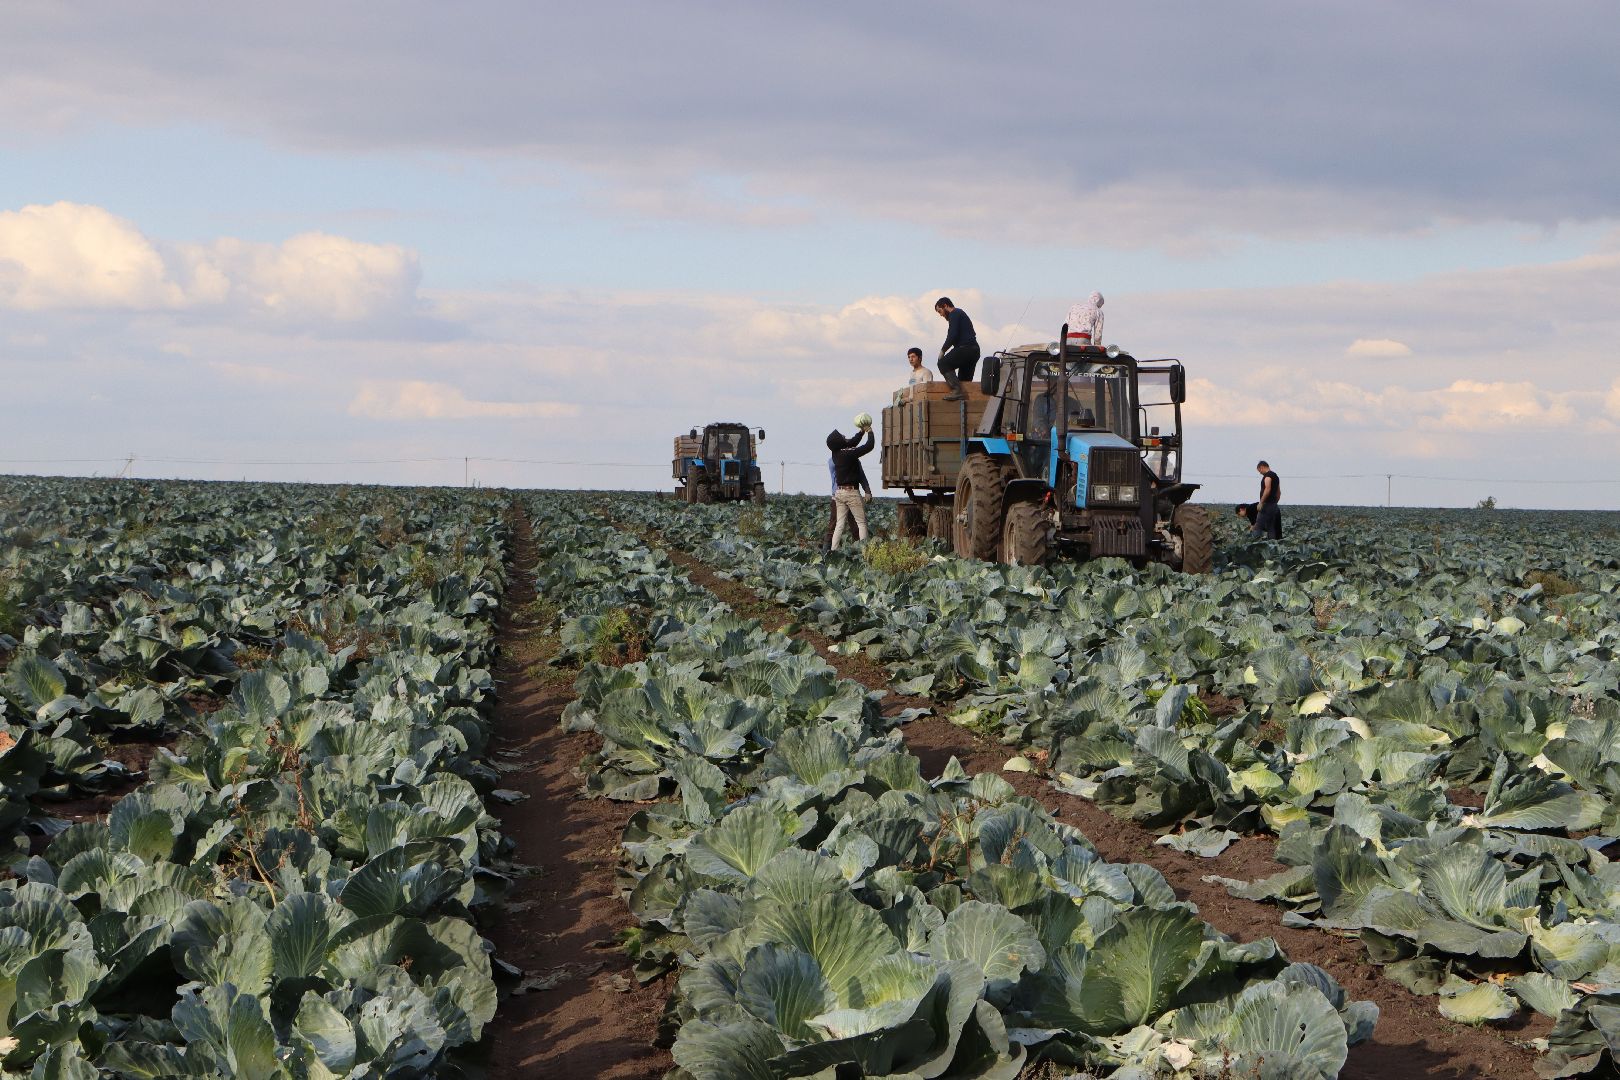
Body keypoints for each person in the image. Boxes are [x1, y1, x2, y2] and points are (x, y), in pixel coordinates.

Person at [827, 422, 875, 549]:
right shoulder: (849, 454)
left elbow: (852, 442)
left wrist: (861, 432)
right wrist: (870, 431)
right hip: (851, 493)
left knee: (839, 525)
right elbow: (869, 446)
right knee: (861, 523)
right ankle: (864, 551)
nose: (844, 436)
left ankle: (833, 550)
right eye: (842, 437)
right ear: (839, 442)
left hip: (839, 493)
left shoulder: (835, 454)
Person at [934, 297, 979, 401]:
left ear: (945, 306)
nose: (941, 315)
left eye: (940, 311)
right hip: (974, 351)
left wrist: (943, 350)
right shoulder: (960, 314)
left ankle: (956, 391)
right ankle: (964, 399)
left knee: (943, 363)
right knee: (964, 382)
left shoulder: (954, 313)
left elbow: (952, 335)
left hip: (966, 348)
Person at [1253, 461, 1282, 539]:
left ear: (1262, 467)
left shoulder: (1268, 476)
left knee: (1258, 525)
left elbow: (1267, 489)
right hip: (1273, 505)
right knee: (1271, 527)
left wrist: (1261, 502)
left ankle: (1254, 543)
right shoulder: (1276, 476)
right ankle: (1272, 544)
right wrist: (1275, 503)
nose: (1260, 473)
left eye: (1259, 470)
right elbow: (1279, 492)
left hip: (1266, 504)